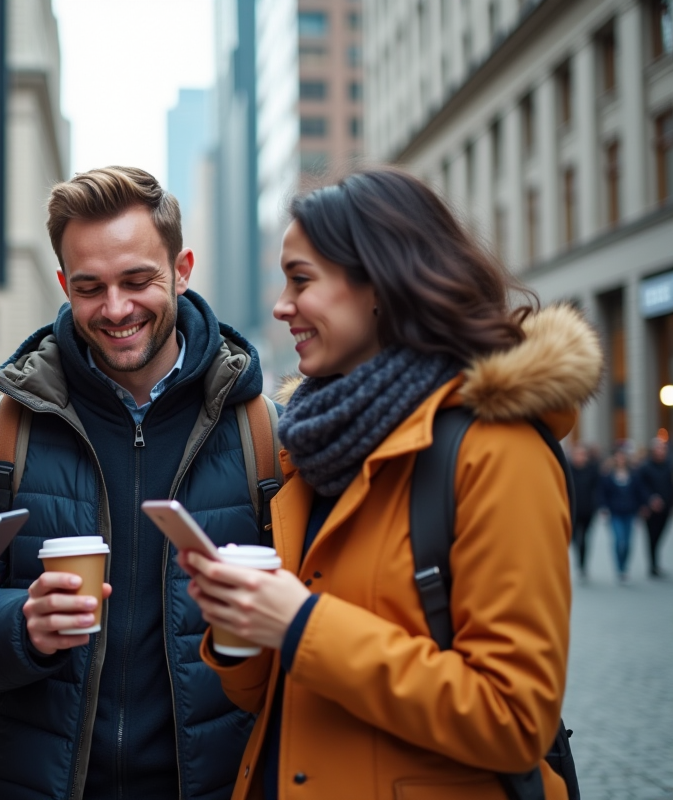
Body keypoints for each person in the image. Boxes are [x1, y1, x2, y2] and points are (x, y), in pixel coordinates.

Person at [182, 168, 601, 799]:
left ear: (379, 283)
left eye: (301, 279)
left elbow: (514, 719)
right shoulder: (317, 448)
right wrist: (241, 630)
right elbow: (273, 692)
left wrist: (300, 624)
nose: (280, 305)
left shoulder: (496, 448)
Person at [0, 166, 268, 799]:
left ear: (183, 269)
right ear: (64, 285)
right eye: (90, 287)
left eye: (138, 280)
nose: (116, 309)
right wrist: (22, 627)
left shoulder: (264, 437)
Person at [598, 448, 648, 583]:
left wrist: (644, 505)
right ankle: (619, 567)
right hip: (615, 512)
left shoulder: (633, 474)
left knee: (627, 541)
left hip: (630, 511)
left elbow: (640, 491)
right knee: (618, 539)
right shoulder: (608, 475)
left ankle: (624, 565)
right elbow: (603, 492)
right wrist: (603, 507)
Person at [638, 437, 671, 577]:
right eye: (658, 448)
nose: (661, 451)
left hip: (666, 506)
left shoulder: (669, 465)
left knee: (660, 534)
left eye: (663, 448)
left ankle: (655, 561)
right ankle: (652, 564)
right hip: (650, 508)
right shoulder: (645, 466)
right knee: (651, 536)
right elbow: (640, 486)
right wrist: (650, 500)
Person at [569, 443, 599, 580]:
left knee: (585, 538)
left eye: (582, 454)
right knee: (575, 538)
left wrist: (596, 505)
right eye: (577, 454)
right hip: (572, 510)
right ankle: (578, 562)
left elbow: (597, 489)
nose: (580, 457)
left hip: (587, 511)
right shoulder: (568, 469)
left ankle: (582, 564)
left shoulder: (592, 470)